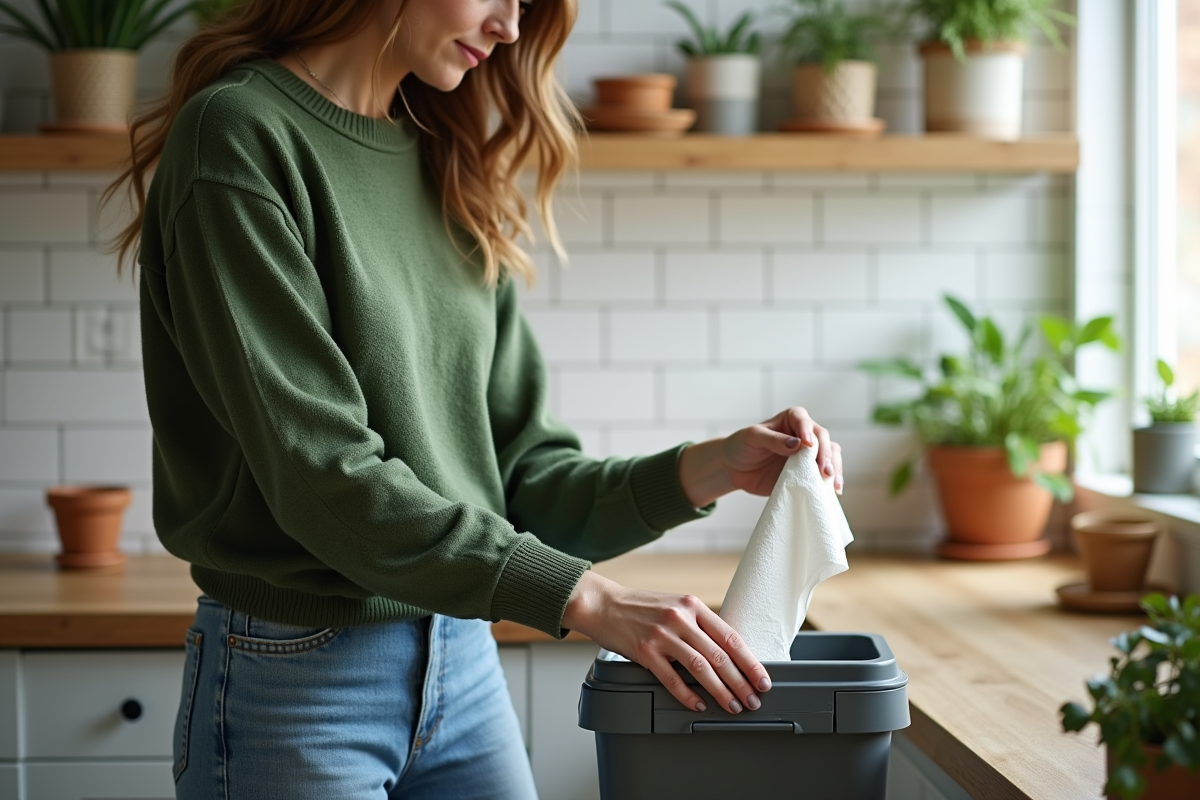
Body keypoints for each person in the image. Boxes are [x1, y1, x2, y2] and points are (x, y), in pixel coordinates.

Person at [105, 1, 845, 798]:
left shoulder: (443, 157)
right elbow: (325, 477)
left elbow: (521, 479)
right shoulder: (240, 136)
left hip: (461, 663)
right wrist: (586, 597)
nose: (511, 28)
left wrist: (712, 469)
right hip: (296, 683)